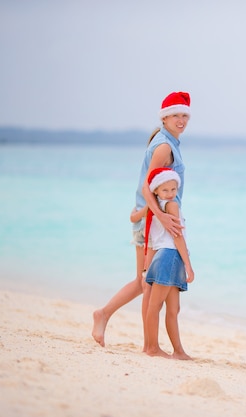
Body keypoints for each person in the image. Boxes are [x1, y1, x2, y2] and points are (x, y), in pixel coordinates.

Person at [92, 91, 191, 348]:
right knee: (146, 284)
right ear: (165, 118)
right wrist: (162, 217)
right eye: (175, 115)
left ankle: (107, 316)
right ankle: (148, 345)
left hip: (151, 219)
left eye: (184, 115)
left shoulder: (167, 142)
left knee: (142, 282)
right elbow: (148, 188)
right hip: (151, 222)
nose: (181, 120)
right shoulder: (164, 146)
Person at [143, 167, 194, 359]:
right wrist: (188, 265)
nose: (171, 194)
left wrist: (147, 266)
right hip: (171, 256)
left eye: (173, 189)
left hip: (164, 257)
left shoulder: (156, 208)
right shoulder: (171, 207)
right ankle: (152, 348)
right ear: (156, 190)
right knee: (156, 306)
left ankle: (178, 351)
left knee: (173, 309)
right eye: (165, 190)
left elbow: (151, 238)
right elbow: (177, 236)